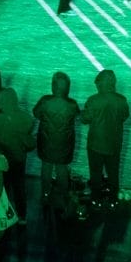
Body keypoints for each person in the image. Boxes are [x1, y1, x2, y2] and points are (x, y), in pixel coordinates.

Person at [81, 69, 131, 203]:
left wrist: (81, 112)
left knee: (96, 173)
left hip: (95, 145)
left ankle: (96, 200)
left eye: (98, 84)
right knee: (113, 173)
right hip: (114, 144)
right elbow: (125, 116)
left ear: (101, 83)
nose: (97, 86)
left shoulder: (93, 100)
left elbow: (85, 119)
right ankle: (113, 200)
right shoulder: (122, 100)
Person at [31, 72, 81, 212]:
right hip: (64, 143)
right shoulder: (72, 104)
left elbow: (35, 113)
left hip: (46, 141)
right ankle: (63, 196)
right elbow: (78, 116)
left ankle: (45, 195)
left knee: (46, 168)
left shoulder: (45, 100)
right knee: (62, 169)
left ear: (53, 86)